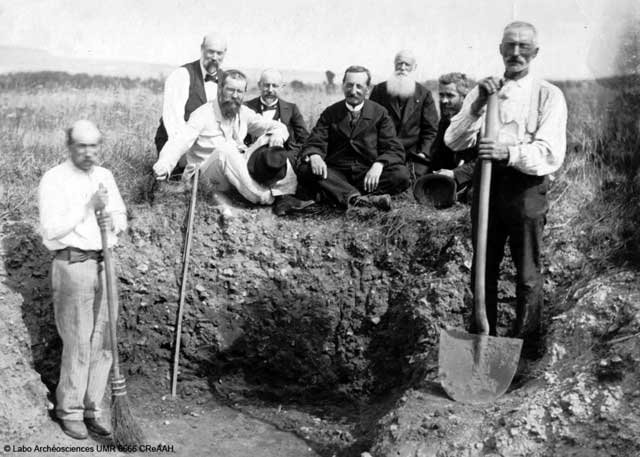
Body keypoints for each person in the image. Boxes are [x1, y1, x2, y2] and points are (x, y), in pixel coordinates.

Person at [445, 21, 568, 356]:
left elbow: (550, 153)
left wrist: (508, 152)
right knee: (483, 266)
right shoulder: (483, 90)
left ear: (535, 52)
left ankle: (525, 351)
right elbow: (453, 139)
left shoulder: (548, 95)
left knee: (527, 271)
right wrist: (476, 106)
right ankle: (481, 344)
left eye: (523, 47)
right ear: (500, 49)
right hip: (486, 185)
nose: (516, 53)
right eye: (509, 46)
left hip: (526, 189)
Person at [38, 120, 127, 440]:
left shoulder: (105, 176)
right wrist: (87, 207)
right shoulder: (54, 179)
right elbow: (50, 229)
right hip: (73, 264)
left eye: (93, 146)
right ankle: (70, 410)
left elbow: (121, 217)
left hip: (106, 263)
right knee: (78, 341)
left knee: (103, 341)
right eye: (81, 146)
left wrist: (112, 220)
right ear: (70, 146)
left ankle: (93, 408)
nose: (88, 152)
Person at [153, 69, 313, 214]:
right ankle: (267, 198)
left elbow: (274, 125)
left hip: (233, 171)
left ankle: (286, 194)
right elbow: (179, 141)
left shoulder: (243, 112)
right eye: (230, 90)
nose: (235, 96)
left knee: (269, 137)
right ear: (220, 89)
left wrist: (278, 134)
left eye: (239, 91)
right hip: (205, 176)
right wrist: (164, 165)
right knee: (226, 149)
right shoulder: (202, 114)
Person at [297, 65, 410, 211]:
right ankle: (362, 200)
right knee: (306, 169)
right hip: (336, 174)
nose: (353, 91)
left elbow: (393, 148)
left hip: (367, 174)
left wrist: (379, 165)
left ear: (368, 89)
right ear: (343, 86)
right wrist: (315, 155)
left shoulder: (380, 113)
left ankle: (342, 196)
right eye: (349, 85)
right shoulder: (331, 112)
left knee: (401, 175)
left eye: (359, 86)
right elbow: (315, 140)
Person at [154, 32, 228, 174]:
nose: (214, 57)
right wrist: (181, 156)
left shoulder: (225, 80)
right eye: (210, 52)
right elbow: (173, 121)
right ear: (202, 49)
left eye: (219, 53)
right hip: (177, 146)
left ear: (225, 54)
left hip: (207, 148)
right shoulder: (182, 75)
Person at [369, 50, 439, 180]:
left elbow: (431, 130)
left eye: (407, 64)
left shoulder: (424, 94)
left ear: (414, 67)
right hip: (384, 151)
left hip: (413, 154)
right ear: (394, 65)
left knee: (415, 178)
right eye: (399, 63)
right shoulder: (379, 90)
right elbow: (370, 125)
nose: (402, 68)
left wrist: (423, 153)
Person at [431, 72, 477, 196]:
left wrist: (455, 174)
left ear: (464, 97)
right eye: (441, 95)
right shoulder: (446, 119)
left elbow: (483, 160)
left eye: (450, 95)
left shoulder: (478, 121)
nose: (444, 101)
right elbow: (439, 154)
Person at [244, 68, 309, 155]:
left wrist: (291, 156)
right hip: (251, 159)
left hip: (282, 159)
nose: (270, 90)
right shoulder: (246, 107)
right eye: (266, 85)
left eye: (275, 86)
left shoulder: (292, 109)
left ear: (282, 87)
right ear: (259, 85)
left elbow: (304, 138)